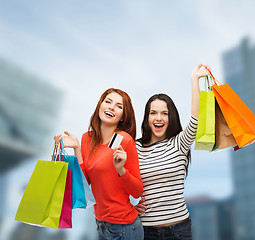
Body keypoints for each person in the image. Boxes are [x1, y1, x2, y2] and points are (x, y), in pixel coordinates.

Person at [54, 88, 144, 240]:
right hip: (101, 224)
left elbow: (137, 191)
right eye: (108, 102)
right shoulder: (87, 138)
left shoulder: (123, 140)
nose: (111, 107)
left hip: (125, 227)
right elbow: (85, 182)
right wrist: (76, 148)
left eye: (118, 106)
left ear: (123, 117)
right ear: (100, 106)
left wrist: (121, 170)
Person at [134, 64, 210, 240]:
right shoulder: (135, 147)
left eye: (164, 113)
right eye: (153, 113)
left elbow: (196, 119)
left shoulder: (179, 143)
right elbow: (121, 182)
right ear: (147, 118)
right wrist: (130, 205)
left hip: (179, 230)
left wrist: (194, 80)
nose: (158, 118)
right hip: (146, 231)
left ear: (171, 117)